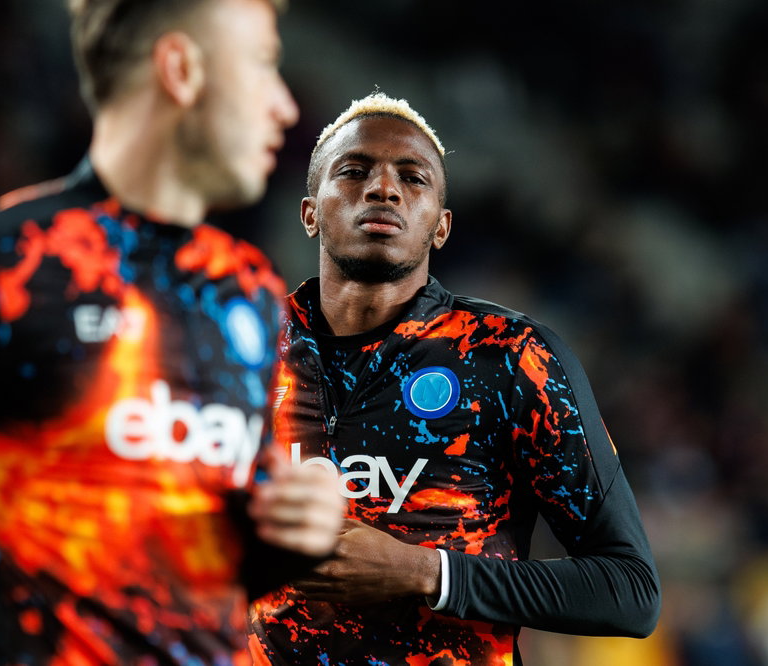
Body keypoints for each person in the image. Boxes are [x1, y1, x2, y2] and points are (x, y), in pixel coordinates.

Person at [0, 0, 346, 663]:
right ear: (180, 69)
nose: (285, 108)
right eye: (264, 65)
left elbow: (202, 574)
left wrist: (296, 534)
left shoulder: (251, 293)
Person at [247, 92, 661, 666]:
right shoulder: (244, 348)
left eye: (412, 177)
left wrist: (429, 573)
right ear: (310, 212)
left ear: (441, 228)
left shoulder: (510, 357)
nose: (383, 188)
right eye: (354, 171)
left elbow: (630, 590)